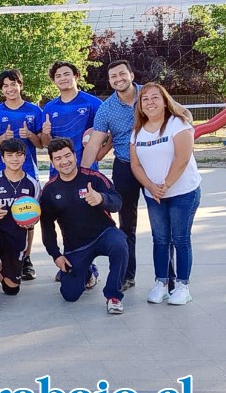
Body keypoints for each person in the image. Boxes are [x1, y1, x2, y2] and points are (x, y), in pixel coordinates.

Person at [81, 60, 192, 291]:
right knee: (126, 226)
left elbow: (185, 114)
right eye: (113, 76)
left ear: (131, 74)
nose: (118, 79)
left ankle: (168, 279)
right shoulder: (106, 109)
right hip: (125, 167)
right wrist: (82, 175)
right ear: (110, 81)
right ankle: (127, 275)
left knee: (163, 227)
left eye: (122, 73)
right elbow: (93, 145)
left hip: (156, 166)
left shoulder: (150, 95)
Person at [130, 83, 201, 306]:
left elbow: (182, 157)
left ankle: (182, 286)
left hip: (183, 192)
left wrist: (165, 184)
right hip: (155, 195)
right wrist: (151, 187)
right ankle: (161, 282)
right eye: (145, 99)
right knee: (160, 240)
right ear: (140, 106)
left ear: (165, 100)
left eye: (155, 98)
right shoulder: (137, 132)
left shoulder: (177, 124)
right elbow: (136, 165)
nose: (150, 103)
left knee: (180, 239)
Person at [40, 137, 127, 315]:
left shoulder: (93, 178)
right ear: (52, 162)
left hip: (104, 234)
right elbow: (47, 226)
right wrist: (56, 255)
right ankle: (88, 272)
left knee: (120, 244)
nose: (64, 161)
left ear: (74, 155)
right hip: (77, 245)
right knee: (69, 295)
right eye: (58, 158)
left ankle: (113, 296)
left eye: (67, 155)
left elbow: (117, 202)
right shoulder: (50, 190)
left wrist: (101, 199)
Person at [41, 61, 105, 283]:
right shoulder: (49, 108)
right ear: (54, 80)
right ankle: (68, 261)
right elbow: (45, 144)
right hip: (58, 174)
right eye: (58, 75)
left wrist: (97, 155)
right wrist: (46, 134)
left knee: (86, 218)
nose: (63, 78)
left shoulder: (93, 103)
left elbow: (104, 135)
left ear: (76, 76)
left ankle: (91, 266)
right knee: (63, 219)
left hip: (85, 172)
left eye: (67, 74)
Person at [0, 68, 44, 280]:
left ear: (20, 85)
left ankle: (26, 258)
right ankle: (2, 255)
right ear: (2, 89)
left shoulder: (35, 110)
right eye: (5, 86)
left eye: (13, 84)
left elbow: (43, 143)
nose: (10, 89)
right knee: (2, 213)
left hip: (27, 171)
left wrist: (31, 136)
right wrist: (3, 138)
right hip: (2, 173)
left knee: (27, 213)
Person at [0, 139, 40, 312]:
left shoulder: (32, 184)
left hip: (16, 235)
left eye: (18, 155)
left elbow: (33, 221)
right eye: (9, 155)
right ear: (2, 158)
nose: (14, 159)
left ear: (25, 157)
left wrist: (29, 249)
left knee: (12, 289)